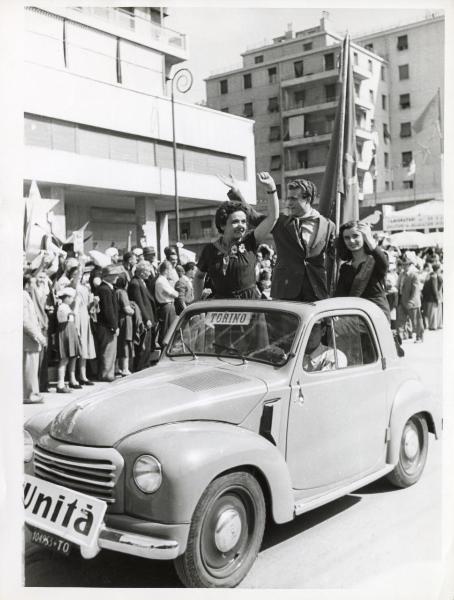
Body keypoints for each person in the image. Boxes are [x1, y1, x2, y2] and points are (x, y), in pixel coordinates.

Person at [225, 176, 335, 302]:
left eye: (293, 199)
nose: (288, 203)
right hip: (285, 291)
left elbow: (333, 260)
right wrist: (235, 192)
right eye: (288, 198)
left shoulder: (328, 226)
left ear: (308, 199)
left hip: (316, 292)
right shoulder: (281, 222)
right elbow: (254, 217)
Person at [193, 172, 279, 300]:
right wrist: (197, 299)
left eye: (243, 221)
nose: (241, 225)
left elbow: (273, 217)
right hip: (222, 308)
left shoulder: (250, 241)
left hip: (250, 306)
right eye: (235, 222)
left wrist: (271, 188)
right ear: (222, 225)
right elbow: (199, 276)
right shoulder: (210, 250)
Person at [334, 221, 391, 322]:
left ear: (364, 237)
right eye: (346, 238)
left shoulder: (376, 260)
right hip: (355, 317)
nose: (351, 241)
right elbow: (340, 296)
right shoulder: (345, 268)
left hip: (376, 317)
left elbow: (384, 265)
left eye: (355, 236)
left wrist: (369, 238)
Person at [128, 261, 157, 371]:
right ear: (141, 272)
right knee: (143, 347)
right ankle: (140, 368)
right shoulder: (135, 283)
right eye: (148, 272)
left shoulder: (142, 282)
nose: (150, 274)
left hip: (149, 317)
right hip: (144, 319)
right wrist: (146, 319)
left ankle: (145, 365)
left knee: (147, 346)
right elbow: (139, 303)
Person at [23, 273, 47, 403]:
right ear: (26, 284)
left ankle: (32, 393)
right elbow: (25, 321)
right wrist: (38, 336)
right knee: (29, 368)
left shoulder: (27, 296)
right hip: (29, 340)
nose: (35, 285)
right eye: (32, 283)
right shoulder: (22, 296)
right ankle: (30, 395)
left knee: (32, 368)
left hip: (31, 340)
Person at [96, 265, 121, 381]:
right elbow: (108, 310)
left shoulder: (108, 288)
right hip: (106, 326)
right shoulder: (105, 289)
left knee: (110, 350)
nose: (116, 277)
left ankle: (107, 372)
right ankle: (106, 374)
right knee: (108, 350)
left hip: (106, 325)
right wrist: (113, 325)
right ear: (108, 276)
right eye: (114, 275)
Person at [55, 287, 81, 393]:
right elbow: (71, 316)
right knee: (64, 358)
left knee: (73, 356)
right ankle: (60, 383)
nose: (72, 300)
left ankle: (72, 379)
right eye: (70, 297)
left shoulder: (66, 306)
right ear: (66, 297)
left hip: (70, 330)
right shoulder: (62, 307)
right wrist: (77, 305)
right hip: (65, 331)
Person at [398, 253, 424, 343]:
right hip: (402, 300)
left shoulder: (414, 275)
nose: (404, 266)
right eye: (403, 264)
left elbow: (416, 290)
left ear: (410, 265)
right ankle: (399, 337)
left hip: (412, 302)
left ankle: (419, 337)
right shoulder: (401, 274)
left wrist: (411, 301)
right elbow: (399, 286)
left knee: (416, 321)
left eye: (406, 264)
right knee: (400, 320)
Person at [155, 260, 179, 347]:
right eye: (169, 269)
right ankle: (164, 350)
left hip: (169, 306)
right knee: (166, 331)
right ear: (166, 270)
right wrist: (175, 293)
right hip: (166, 306)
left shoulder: (164, 280)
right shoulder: (161, 280)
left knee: (170, 329)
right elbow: (174, 294)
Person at [115, 274, 135, 376]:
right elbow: (127, 309)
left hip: (119, 319)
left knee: (119, 344)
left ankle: (117, 367)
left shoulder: (115, 292)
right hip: (125, 320)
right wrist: (134, 311)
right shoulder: (122, 293)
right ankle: (125, 369)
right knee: (126, 344)